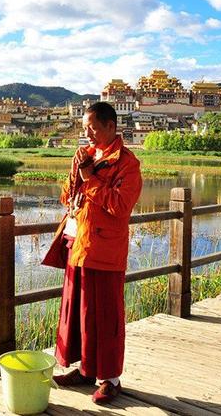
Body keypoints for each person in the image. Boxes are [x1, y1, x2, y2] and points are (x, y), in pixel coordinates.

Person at [42, 101, 142, 404]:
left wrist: (90, 178)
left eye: (92, 128)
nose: (87, 133)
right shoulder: (87, 156)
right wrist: (76, 173)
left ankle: (110, 380)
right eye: (84, 127)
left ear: (111, 127)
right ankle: (85, 370)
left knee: (106, 315)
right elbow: (67, 198)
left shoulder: (127, 163)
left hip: (105, 249)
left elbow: (120, 206)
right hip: (79, 243)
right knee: (79, 313)